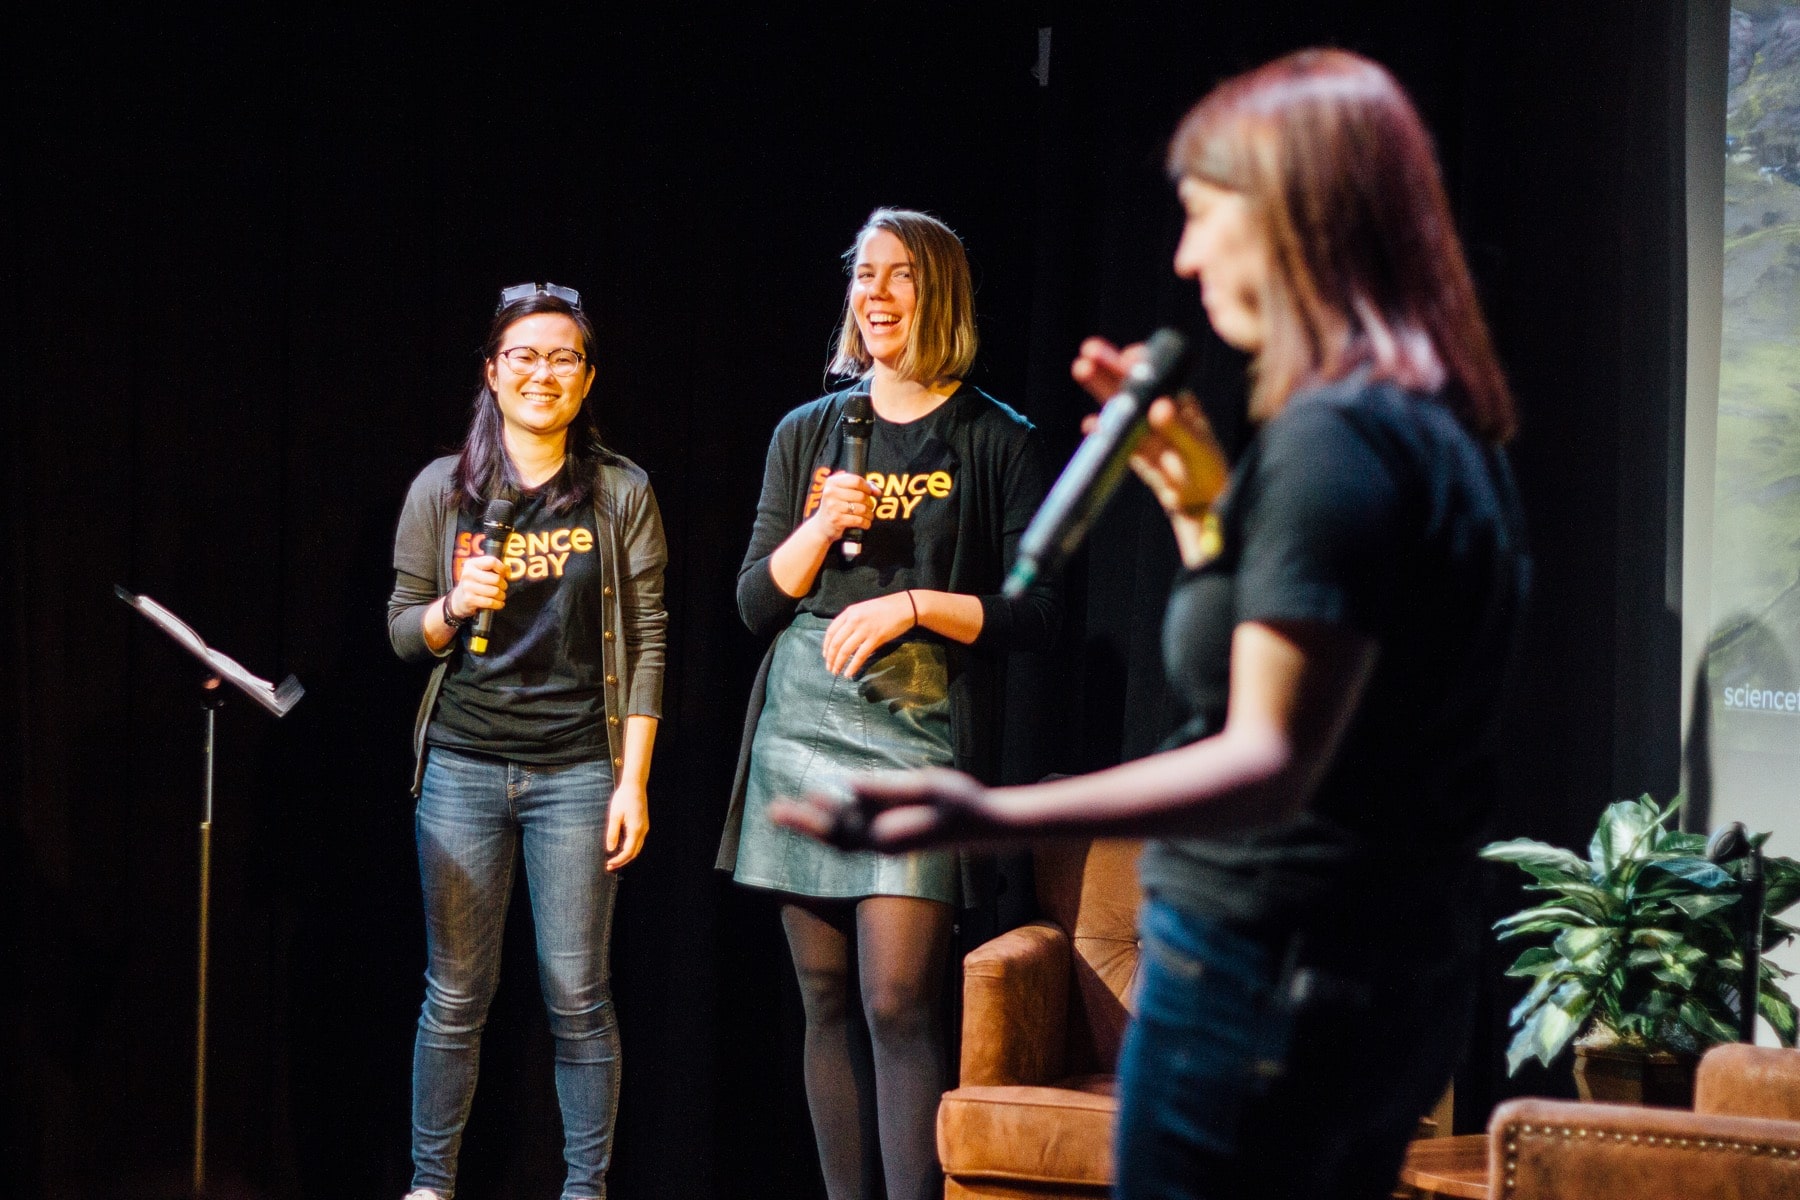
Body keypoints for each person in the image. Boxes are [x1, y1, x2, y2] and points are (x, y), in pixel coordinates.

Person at [776, 51, 1528, 1200]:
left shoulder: (1335, 444)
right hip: (1385, 971)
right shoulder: (1435, 426)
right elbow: (1312, 699)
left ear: (1296, 217)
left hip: (1262, 969)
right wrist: (1201, 512)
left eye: (1203, 216)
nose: (1182, 254)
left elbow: (1267, 759)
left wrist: (991, 812)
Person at [718, 208, 1059, 1200]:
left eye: (898, 276)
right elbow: (752, 601)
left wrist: (915, 602)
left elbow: (1036, 614)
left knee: (899, 997)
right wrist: (820, 526)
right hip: (802, 717)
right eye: (864, 276)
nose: (875, 295)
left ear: (938, 292)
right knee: (824, 997)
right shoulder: (808, 434)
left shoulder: (996, 436)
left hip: (919, 724)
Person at [387, 282, 667, 1200]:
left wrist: (633, 782)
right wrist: (450, 608)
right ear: (492, 374)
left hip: (578, 771)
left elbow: (651, 639)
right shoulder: (442, 489)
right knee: (455, 997)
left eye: (563, 358)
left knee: (578, 999)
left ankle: (584, 1190)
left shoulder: (621, 491)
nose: (542, 373)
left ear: (585, 381)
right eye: (524, 356)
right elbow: (399, 631)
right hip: (463, 767)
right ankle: (433, 1186)